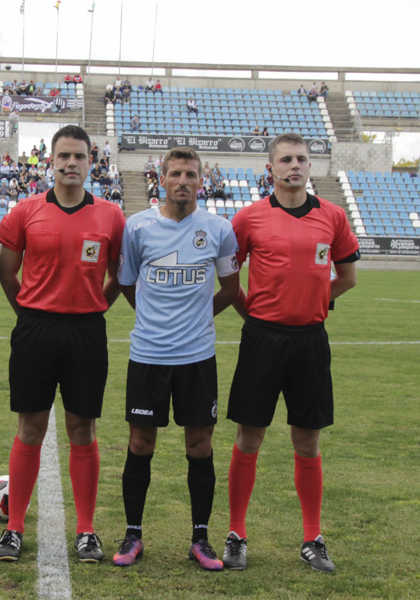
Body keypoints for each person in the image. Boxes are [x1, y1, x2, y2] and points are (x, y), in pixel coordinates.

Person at [222, 133, 359, 573]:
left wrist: (316, 300)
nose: (294, 166)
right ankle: (237, 534)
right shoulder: (249, 218)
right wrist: (254, 315)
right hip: (261, 339)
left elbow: (347, 277)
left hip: (310, 341)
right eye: (285, 160)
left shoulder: (332, 217)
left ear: (310, 167)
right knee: (250, 437)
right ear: (271, 168)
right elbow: (230, 280)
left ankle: (313, 538)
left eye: (301, 159)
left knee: (308, 440)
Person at [0, 125, 126, 563]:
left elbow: (118, 277)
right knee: (30, 428)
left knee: (82, 430)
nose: (71, 163)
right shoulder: (24, 212)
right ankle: (13, 528)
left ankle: (86, 530)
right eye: (63, 155)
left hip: (86, 332)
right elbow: (7, 274)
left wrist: (93, 307)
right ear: (50, 161)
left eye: (79, 156)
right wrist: (29, 312)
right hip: (34, 330)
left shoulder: (111, 216)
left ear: (91, 162)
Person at [112, 147, 239, 570]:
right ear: (161, 179)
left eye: (191, 174)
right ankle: (133, 535)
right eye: (176, 173)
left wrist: (199, 318)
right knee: (139, 443)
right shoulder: (138, 227)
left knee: (200, 445)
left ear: (202, 181)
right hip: (148, 354)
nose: (183, 180)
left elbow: (231, 288)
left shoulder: (219, 229)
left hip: (198, 357)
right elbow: (127, 284)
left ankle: (200, 539)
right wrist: (153, 318)